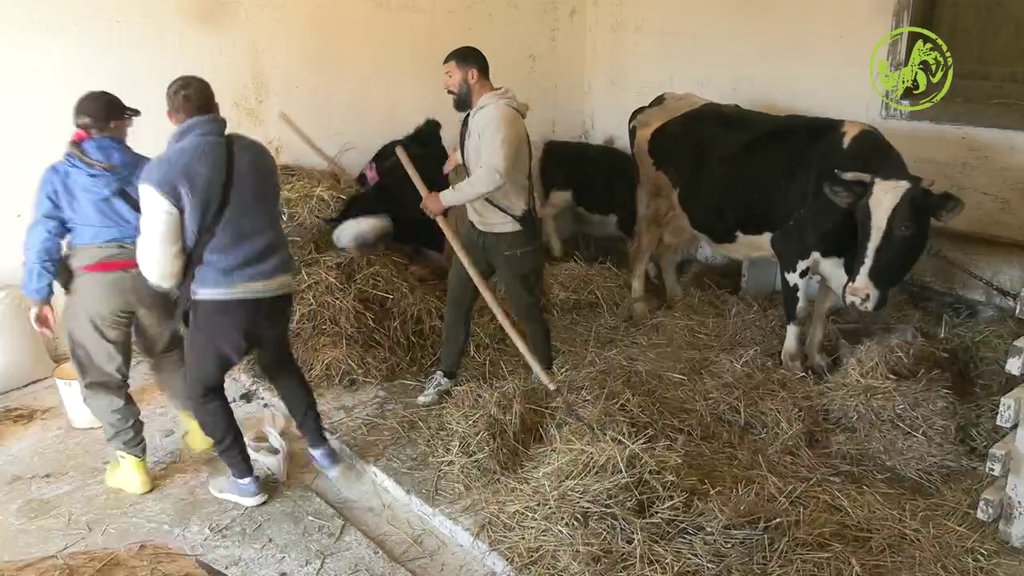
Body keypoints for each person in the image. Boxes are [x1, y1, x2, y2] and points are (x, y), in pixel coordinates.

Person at [135, 75, 343, 507]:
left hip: (220, 302)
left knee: (203, 388)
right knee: (279, 363)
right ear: (216, 106)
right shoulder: (256, 153)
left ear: (172, 117)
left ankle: (245, 481)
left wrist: (174, 286)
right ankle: (323, 450)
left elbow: (161, 266)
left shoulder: (162, 172)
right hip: (275, 287)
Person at [22, 91, 213, 496]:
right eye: (127, 121)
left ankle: (132, 466)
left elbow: (43, 235)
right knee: (169, 353)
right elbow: (183, 223)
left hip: (94, 285)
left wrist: (38, 295)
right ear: (119, 124)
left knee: (102, 376)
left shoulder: (60, 175)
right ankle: (199, 429)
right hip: (151, 278)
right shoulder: (150, 168)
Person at [416, 46, 553, 406]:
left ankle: (543, 377)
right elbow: (486, 148)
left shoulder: (501, 116)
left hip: (510, 235)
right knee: (457, 301)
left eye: (450, 75)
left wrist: (442, 200)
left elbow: (494, 173)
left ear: (472, 75)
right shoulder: (480, 115)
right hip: (477, 231)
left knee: (525, 309)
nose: (445, 84)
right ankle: (446, 372)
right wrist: (459, 157)